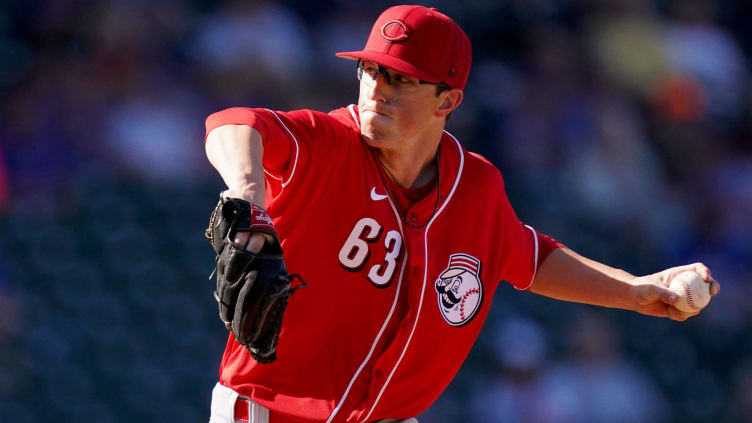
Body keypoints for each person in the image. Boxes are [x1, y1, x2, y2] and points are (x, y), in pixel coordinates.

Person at [203, 5, 720, 423]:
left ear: (446, 100)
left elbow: (528, 258)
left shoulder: (475, 187)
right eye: (369, 69)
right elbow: (236, 123)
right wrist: (248, 195)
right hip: (271, 411)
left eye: (400, 79)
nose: (376, 88)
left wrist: (634, 289)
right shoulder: (329, 143)